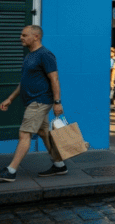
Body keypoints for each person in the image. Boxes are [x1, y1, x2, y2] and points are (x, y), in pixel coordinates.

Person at [0, 26, 68, 182]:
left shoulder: (45, 55)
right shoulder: (30, 56)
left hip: (40, 101)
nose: (21, 37)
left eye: (24, 35)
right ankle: (59, 165)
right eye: (21, 35)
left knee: (24, 134)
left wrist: (57, 102)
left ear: (36, 36)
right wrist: (10, 98)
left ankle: (11, 171)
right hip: (32, 101)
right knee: (43, 133)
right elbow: (24, 81)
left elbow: (54, 79)